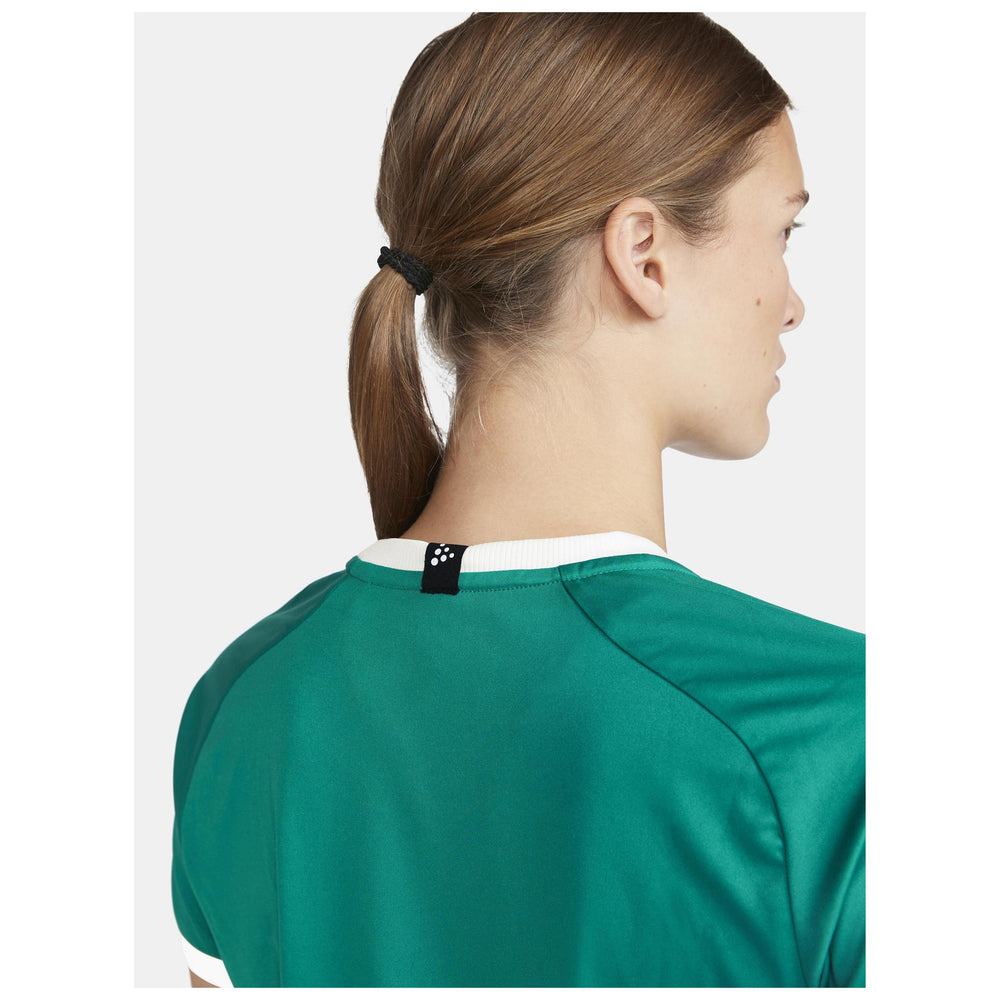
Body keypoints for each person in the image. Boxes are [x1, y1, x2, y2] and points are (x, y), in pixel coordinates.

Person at [171, 12, 864, 987]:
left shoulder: (241, 703)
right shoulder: (836, 732)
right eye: (783, 232)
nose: (793, 304)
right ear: (645, 253)